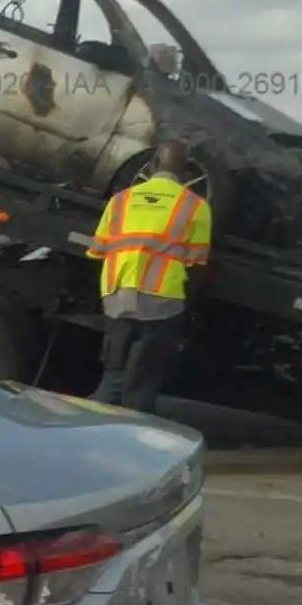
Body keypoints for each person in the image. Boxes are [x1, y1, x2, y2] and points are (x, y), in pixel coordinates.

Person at [85, 139, 212, 413]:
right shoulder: (195, 206)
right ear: (187, 172)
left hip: (117, 296)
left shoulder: (120, 200)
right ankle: (132, 441)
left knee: (113, 375)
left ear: (153, 165)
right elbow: (197, 264)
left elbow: (97, 252)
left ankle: (88, 428)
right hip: (162, 301)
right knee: (141, 383)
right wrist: (187, 310)